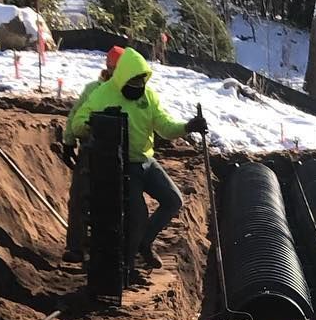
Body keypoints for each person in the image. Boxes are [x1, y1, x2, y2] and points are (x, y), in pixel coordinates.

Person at [64, 46, 207, 283]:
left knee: (173, 200)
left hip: (145, 159)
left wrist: (187, 127)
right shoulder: (102, 94)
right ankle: (127, 268)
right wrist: (96, 121)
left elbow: (164, 126)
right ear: (123, 80)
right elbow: (78, 122)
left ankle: (144, 243)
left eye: (141, 84)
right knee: (137, 216)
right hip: (122, 164)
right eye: (134, 85)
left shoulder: (148, 97)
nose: (138, 89)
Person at [61, 46, 124, 261]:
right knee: (80, 195)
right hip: (92, 150)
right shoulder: (93, 89)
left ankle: (127, 250)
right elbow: (75, 116)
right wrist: (69, 141)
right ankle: (75, 246)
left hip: (121, 152)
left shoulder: (129, 91)